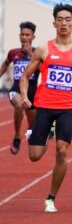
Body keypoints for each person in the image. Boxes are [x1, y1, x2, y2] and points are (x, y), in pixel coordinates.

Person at [20, 3, 72, 213]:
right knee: (34, 155)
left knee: (62, 152)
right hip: (44, 105)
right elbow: (25, 77)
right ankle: (45, 134)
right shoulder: (43, 49)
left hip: (67, 107)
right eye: (60, 19)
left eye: (68, 20)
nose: (64, 23)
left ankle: (51, 198)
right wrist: (23, 96)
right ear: (54, 22)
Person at [0, 21, 39, 155]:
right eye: (22, 34)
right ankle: (17, 137)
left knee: (32, 125)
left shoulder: (38, 53)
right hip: (16, 89)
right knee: (19, 105)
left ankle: (30, 132)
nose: (24, 37)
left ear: (33, 37)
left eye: (27, 35)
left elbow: (44, 69)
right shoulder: (13, 53)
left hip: (32, 93)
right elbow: (5, 64)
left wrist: (30, 55)